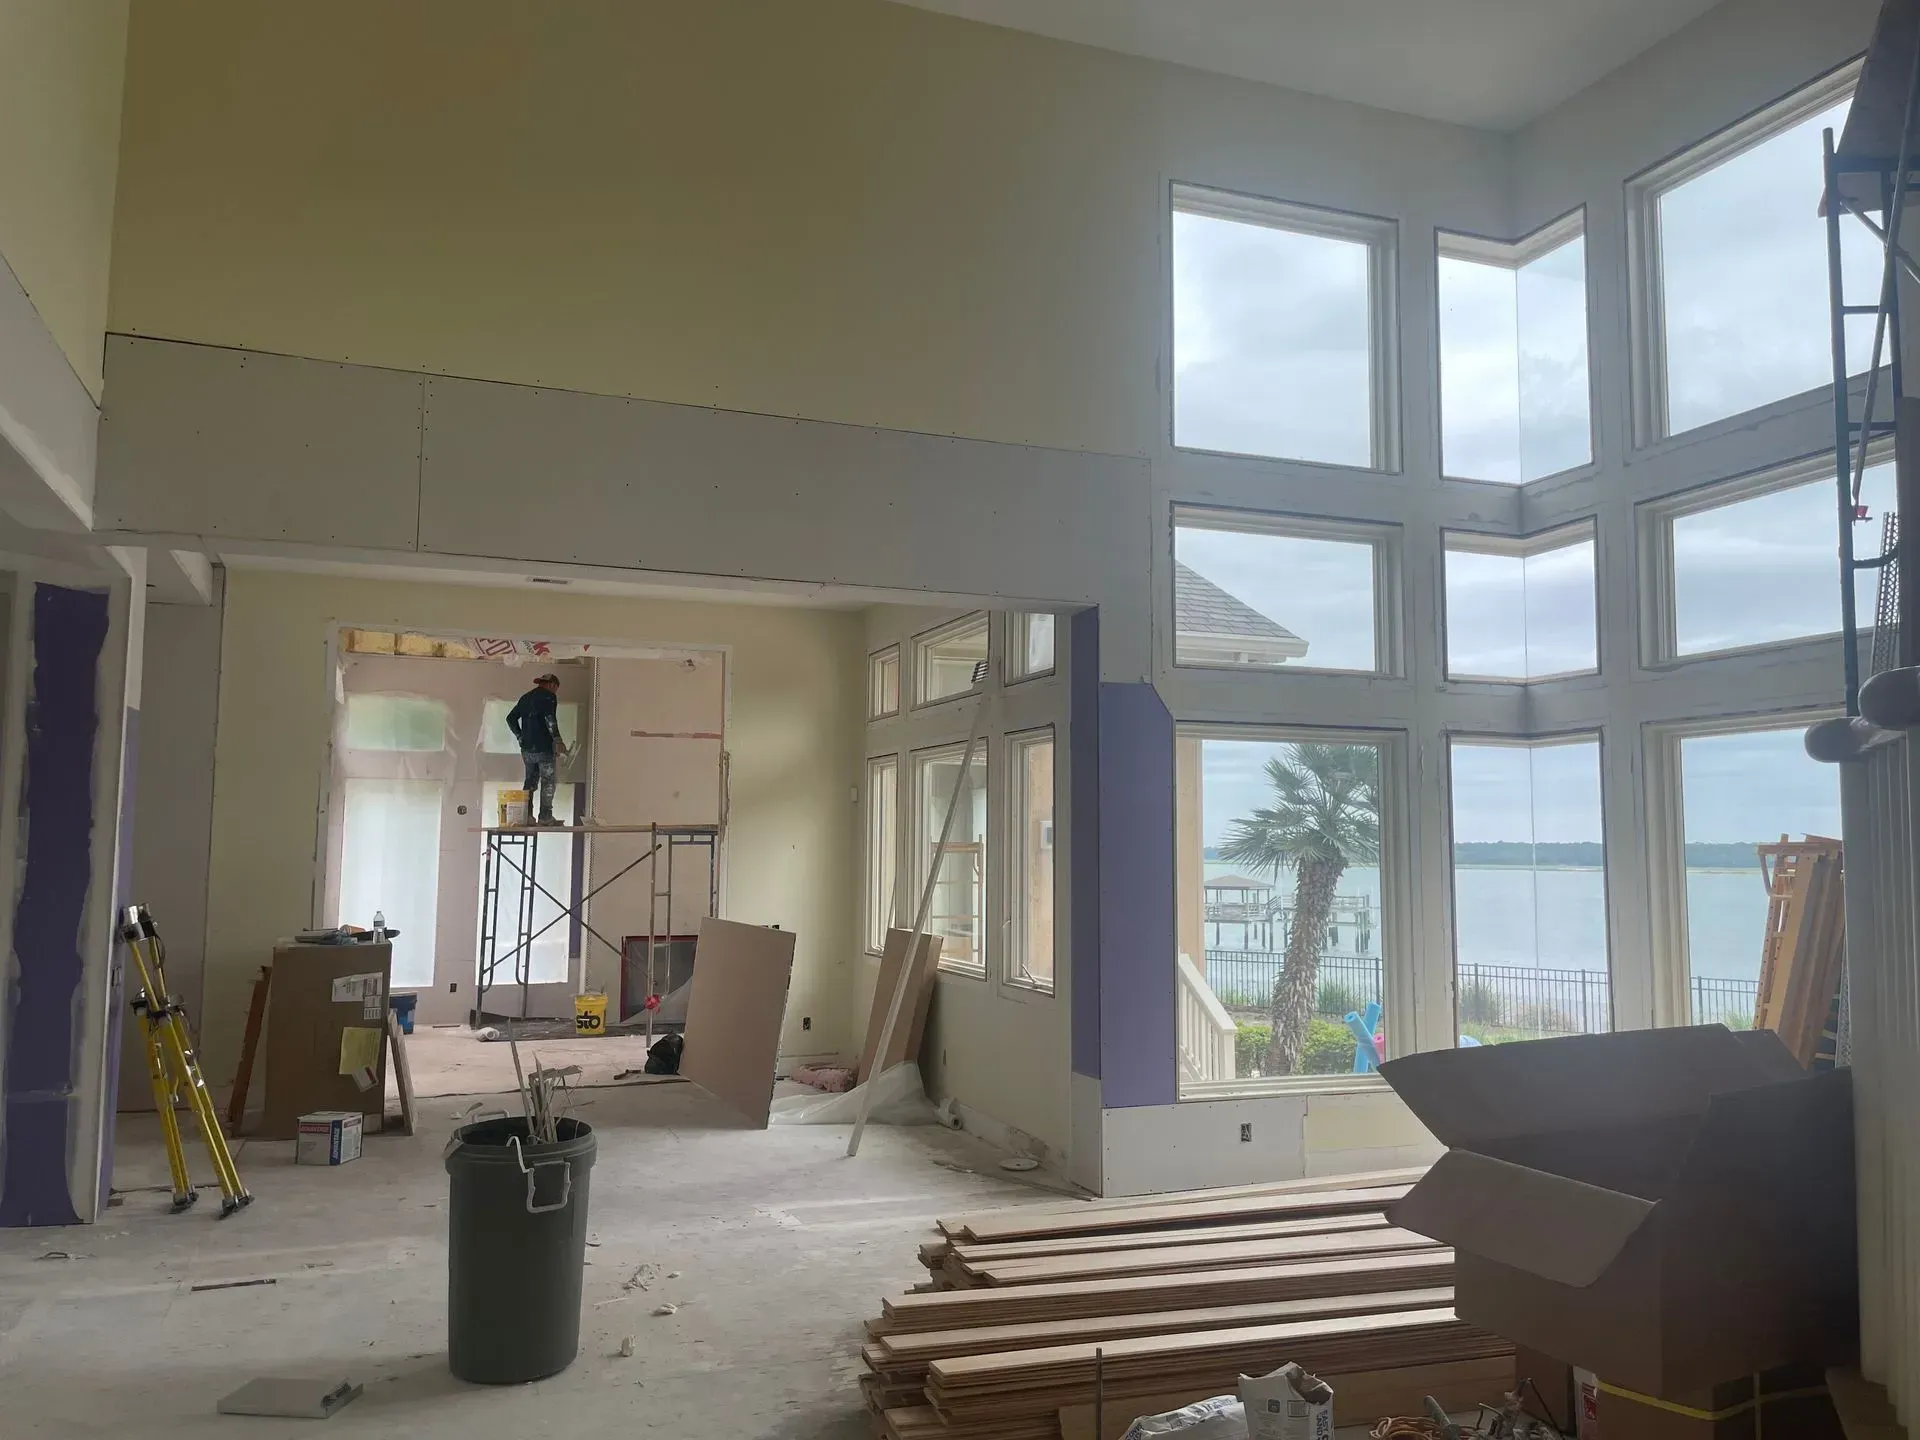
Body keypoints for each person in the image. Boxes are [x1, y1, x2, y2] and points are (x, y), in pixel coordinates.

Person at [505, 673, 569, 825]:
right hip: (544, 748)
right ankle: (545, 817)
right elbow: (550, 719)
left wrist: (520, 736)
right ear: (553, 685)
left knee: (530, 782)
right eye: (556, 688)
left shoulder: (525, 697)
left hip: (527, 750)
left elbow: (510, 718)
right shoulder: (549, 697)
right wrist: (558, 740)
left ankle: (527, 816)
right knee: (548, 782)